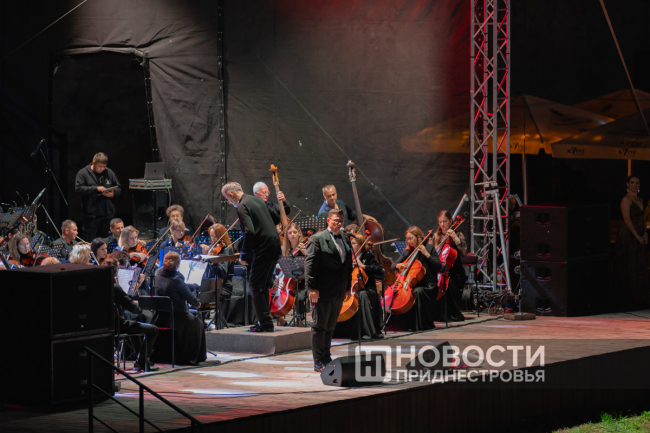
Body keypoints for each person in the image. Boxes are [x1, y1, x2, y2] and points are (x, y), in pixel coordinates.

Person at [222, 181, 281, 332]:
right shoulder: (257, 200)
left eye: (227, 199)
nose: (228, 202)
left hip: (263, 248)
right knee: (263, 285)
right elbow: (276, 218)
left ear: (231, 194)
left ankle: (265, 324)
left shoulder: (242, 206)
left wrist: (243, 254)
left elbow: (250, 232)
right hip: (275, 245)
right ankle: (265, 321)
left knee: (255, 285)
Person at [305, 209, 353, 372]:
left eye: (341, 221)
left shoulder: (345, 239)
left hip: (339, 289)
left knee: (330, 327)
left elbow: (348, 265)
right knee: (319, 326)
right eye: (335, 220)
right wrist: (312, 287)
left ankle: (326, 356)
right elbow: (310, 264)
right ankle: (318, 361)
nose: (339, 223)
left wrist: (347, 287)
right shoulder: (317, 239)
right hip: (322, 289)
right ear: (328, 220)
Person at [105, 257, 159, 372]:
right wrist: (139, 309)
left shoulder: (100, 286)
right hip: (119, 325)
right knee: (153, 329)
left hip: (106, 325)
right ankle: (142, 361)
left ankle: (141, 360)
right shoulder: (115, 287)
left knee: (134, 327)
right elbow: (132, 307)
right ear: (116, 271)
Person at [154, 252, 206, 365]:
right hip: (176, 318)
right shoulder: (177, 279)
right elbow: (192, 300)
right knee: (198, 323)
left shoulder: (157, 275)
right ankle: (193, 357)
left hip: (158, 317)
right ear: (178, 265)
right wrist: (198, 303)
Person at [390, 226, 443, 332]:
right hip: (413, 284)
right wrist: (398, 265)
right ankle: (404, 325)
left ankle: (418, 325)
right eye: (407, 239)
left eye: (411, 238)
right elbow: (393, 265)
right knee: (398, 294)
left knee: (417, 292)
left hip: (428, 285)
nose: (409, 241)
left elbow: (439, 266)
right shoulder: (408, 251)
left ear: (418, 237)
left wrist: (426, 254)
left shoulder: (429, 248)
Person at [335, 232, 384, 340]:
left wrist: (363, 266)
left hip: (367, 289)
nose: (351, 246)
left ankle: (364, 331)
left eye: (354, 243)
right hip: (351, 288)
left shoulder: (367, 256)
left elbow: (380, 270)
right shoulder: (348, 257)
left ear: (361, 245)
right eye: (350, 243)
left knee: (362, 295)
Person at [613, 175, 650, 310]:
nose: (635, 185)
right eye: (632, 183)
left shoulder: (640, 199)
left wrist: (645, 233)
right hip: (628, 235)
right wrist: (637, 236)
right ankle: (628, 298)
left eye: (637, 183)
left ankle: (640, 296)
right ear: (628, 184)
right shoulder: (626, 199)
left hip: (639, 234)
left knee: (639, 264)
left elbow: (643, 218)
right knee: (629, 264)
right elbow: (627, 220)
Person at [74, 152, 121, 241]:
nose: (102, 169)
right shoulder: (83, 173)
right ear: (94, 163)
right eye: (100, 166)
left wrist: (113, 194)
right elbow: (78, 189)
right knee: (89, 241)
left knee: (107, 241)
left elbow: (119, 188)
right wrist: (96, 189)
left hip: (107, 216)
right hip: (91, 216)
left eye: (104, 166)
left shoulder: (109, 172)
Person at [431, 210, 467, 322]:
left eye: (445, 221)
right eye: (440, 222)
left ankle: (449, 314)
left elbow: (464, 253)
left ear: (451, 221)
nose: (442, 224)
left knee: (448, 284)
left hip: (455, 273)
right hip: (440, 272)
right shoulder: (436, 236)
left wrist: (455, 237)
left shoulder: (458, 234)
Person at [200, 223, 235, 319]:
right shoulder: (212, 249)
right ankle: (201, 322)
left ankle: (205, 321)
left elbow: (222, 273)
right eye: (211, 236)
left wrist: (213, 263)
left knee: (201, 296)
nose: (213, 239)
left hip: (223, 287)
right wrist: (201, 248)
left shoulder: (226, 250)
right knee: (196, 292)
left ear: (221, 236)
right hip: (211, 285)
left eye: (215, 236)